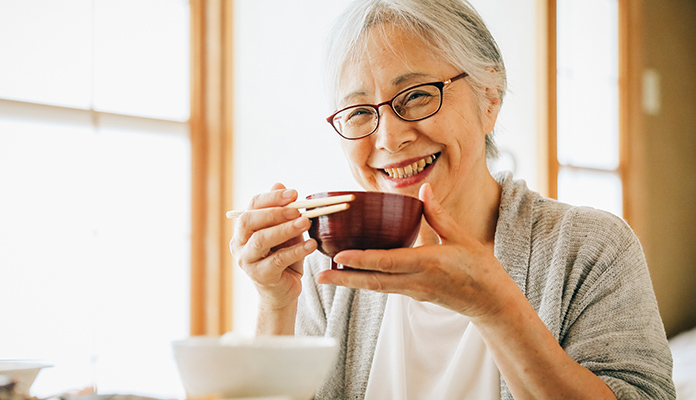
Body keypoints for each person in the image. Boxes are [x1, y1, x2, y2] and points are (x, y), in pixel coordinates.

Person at [229, 0, 675, 398]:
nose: (390, 138)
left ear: (489, 97)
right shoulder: (328, 265)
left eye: (418, 95)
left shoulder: (591, 247)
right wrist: (275, 303)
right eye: (362, 111)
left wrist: (496, 307)